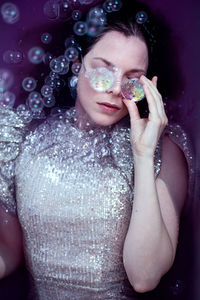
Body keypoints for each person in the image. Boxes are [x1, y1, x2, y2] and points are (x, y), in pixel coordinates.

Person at [0, 1, 193, 299]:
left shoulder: (163, 153)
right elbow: (9, 253)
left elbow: (144, 276)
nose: (116, 89)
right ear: (77, 65)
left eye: (132, 79)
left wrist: (142, 153)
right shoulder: (24, 140)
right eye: (104, 71)